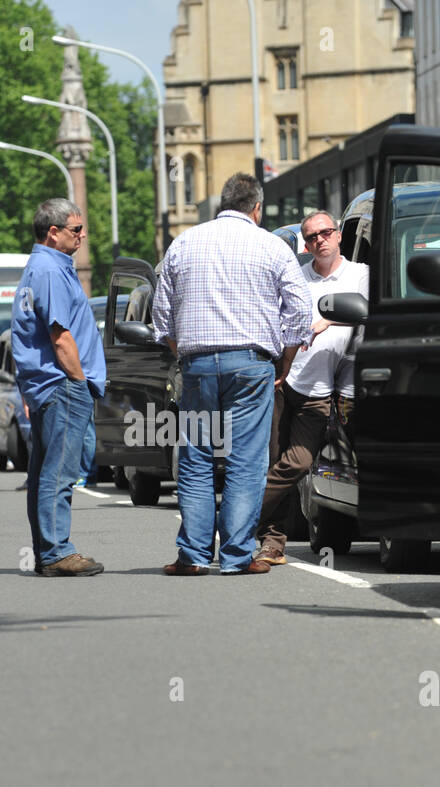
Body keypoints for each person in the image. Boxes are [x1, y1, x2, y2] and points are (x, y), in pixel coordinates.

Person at [152, 173, 313, 575]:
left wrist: (184, 356)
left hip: (198, 366)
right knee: (246, 462)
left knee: (194, 460)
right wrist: (286, 361)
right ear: (256, 208)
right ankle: (237, 556)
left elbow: (161, 317)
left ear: (221, 204)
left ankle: (192, 557)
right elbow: (301, 312)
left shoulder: (184, 243)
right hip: (251, 365)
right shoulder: (272, 247)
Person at [254, 211, 369, 564]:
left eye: (325, 233)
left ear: (338, 236)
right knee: (273, 460)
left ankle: (238, 514)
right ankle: (272, 542)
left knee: (298, 463)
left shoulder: (362, 275)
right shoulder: (297, 279)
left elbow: (371, 314)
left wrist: (326, 320)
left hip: (322, 387)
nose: (319, 240)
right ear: (305, 245)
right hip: (282, 381)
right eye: (312, 237)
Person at [11, 198, 107, 577]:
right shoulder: (50, 270)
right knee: (60, 472)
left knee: (44, 472)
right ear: (53, 233)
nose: (82, 236)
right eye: (76, 230)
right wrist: (80, 381)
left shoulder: (42, 267)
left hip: (50, 385)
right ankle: (55, 552)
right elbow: (60, 336)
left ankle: (46, 550)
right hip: (62, 384)